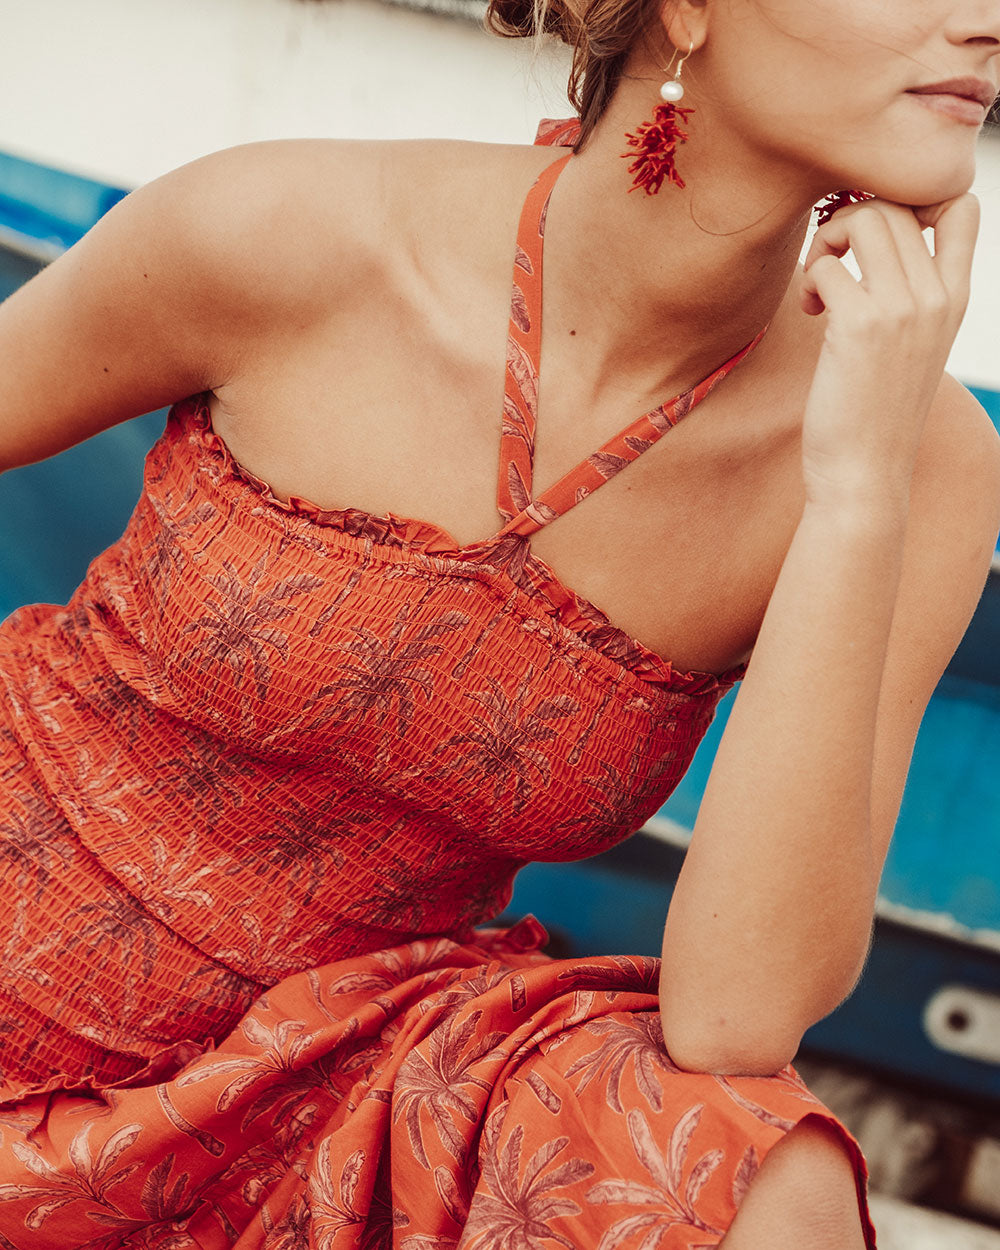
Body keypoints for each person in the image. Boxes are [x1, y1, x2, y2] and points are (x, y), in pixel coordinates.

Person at [0, 0, 998, 1242]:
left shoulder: (917, 459)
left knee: (763, 1176)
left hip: (318, 1096)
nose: (986, 20)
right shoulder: (294, 230)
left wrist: (854, 488)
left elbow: (734, 1017)